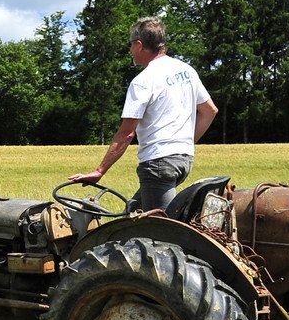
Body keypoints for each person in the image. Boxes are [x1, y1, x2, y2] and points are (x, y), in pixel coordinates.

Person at [69, 17, 218, 211]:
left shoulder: (143, 81)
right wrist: (184, 143)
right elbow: (210, 111)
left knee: (157, 227)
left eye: (130, 45)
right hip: (184, 161)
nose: (130, 50)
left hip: (158, 164)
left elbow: (127, 133)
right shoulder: (187, 70)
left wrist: (99, 171)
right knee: (132, 214)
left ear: (139, 45)